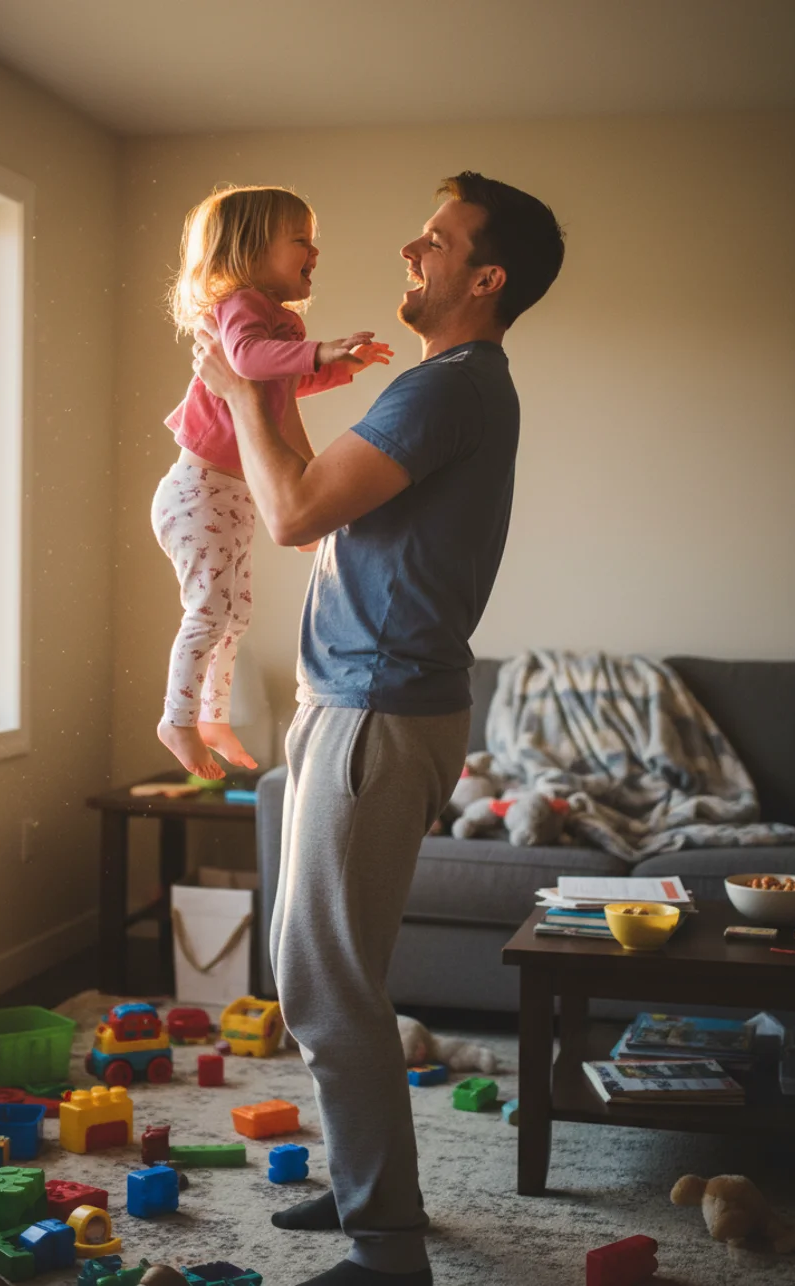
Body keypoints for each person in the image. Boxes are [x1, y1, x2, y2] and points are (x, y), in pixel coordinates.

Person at [192, 171, 565, 1286]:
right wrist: (271, 391)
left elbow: (294, 507)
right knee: (325, 965)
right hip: (351, 697)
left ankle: (386, 1247)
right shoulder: (444, 387)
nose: (411, 248)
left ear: (484, 277)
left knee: (319, 980)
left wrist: (239, 387)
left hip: (375, 705)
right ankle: (367, 1182)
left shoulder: (448, 387)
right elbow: (329, 522)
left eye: (437, 239)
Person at [153, 184, 393, 779]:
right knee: (208, 609)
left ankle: (211, 717)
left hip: (229, 493)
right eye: (301, 241)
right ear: (251, 252)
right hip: (199, 489)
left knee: (234, 614)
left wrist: (335, 368)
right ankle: (175, 720)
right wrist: (318, 351)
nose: (315, 253)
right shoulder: (241, 304)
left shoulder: (276, 321)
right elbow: (249, 362)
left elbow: (276, 385)